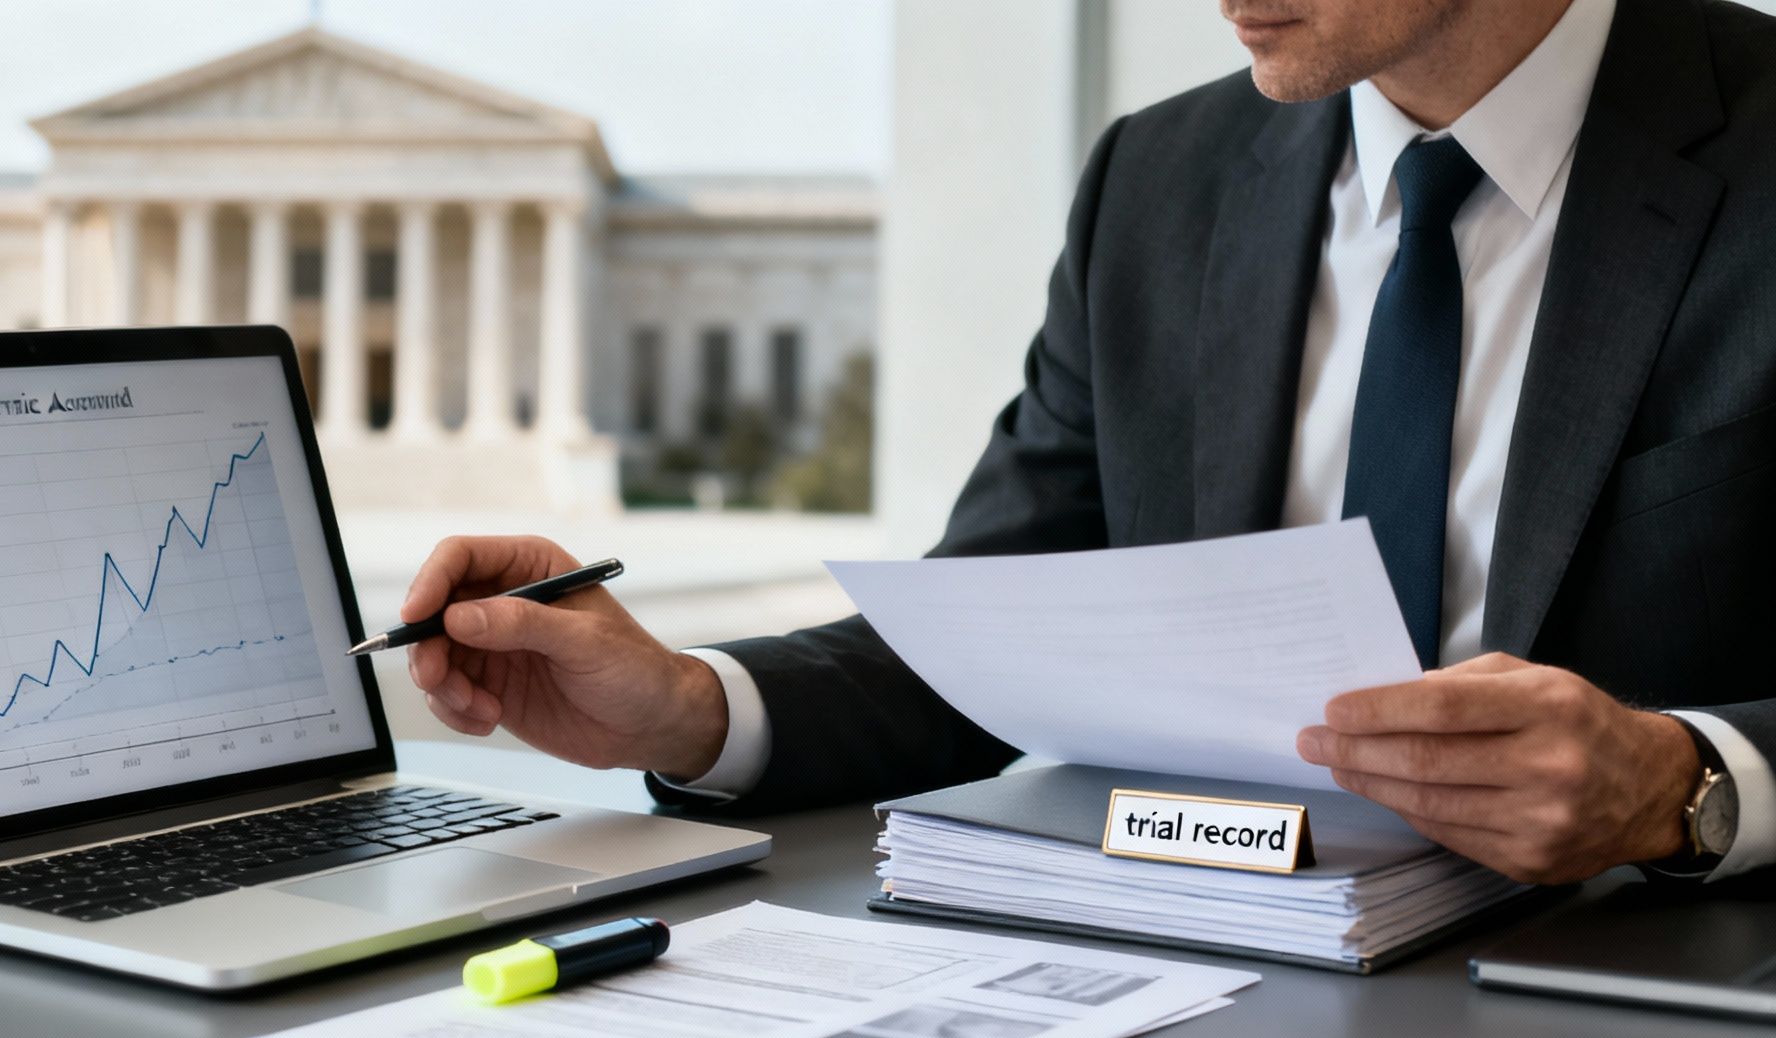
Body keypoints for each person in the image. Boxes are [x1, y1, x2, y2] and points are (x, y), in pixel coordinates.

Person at [399, 0, 1776, 886]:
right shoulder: (1156, 185)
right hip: (1203, 988)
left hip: (1635, 1015)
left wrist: (1690, 784)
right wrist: (695, 702)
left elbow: (1691, 771)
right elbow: (997, 630)